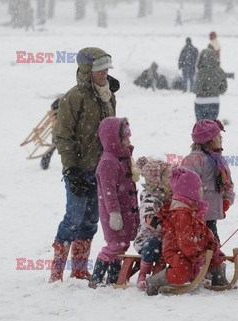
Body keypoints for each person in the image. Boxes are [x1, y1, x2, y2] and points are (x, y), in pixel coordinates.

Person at [49, 47, 119, 283]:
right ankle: (56, 272)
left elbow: (112, 132)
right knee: (74, 218)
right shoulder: (73, 97)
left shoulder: (109, 95)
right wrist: (71, 169)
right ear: (88, 71)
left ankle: (79, 269)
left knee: (91, 221)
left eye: (107, 69)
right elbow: (63, 136)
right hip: (78, 171)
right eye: (100, 69)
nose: (105, 74)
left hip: (101, 171)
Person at [145, 166, 227, 296]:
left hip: (189, 249)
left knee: (216, 256)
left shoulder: (193, 210)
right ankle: (154, 282)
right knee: (183, 270)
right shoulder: (181, 213)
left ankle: (219, 280)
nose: (202, 190)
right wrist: (197, 255)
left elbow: (202, 231)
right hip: (175, 251)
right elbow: (185, 240)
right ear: (189, 192)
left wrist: (211, 244)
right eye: (198, 187)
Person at [88, 117, 140, 288]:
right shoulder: (108, 162)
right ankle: (96, 278)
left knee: (122, 245)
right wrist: (114, 214)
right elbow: (108, 192)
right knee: (115, 245)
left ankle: (113, 278)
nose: (129, 140)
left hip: (125, 211)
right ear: (114, 139)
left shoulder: (122, 158)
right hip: (114, 214)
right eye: (125, 137)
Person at [183, 119, 235, 244]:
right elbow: (186, 187)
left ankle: (213, 260)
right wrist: (193, 207)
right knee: (203, 241)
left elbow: (228, 182)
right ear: (209, 141)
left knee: (211, 238)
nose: (221, 139)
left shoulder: (219, 160)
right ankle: (208, 261)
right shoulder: (193, 161)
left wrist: (227, 199)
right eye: (218, 137)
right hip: (197, 214)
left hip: (211, 212)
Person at [133, 157, 172, 290]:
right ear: (158, 180)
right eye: (168, 176)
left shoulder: (169, 196)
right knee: (153, 245)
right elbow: (148, 219)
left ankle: (159, 273)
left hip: (166, 238)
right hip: (147, 238)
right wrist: (156, 221)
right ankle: (143, 273)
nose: (171, 179)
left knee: (170, 246)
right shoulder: (150, 198)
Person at [192, 49, 227, 121]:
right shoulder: (220, 71)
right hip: (214, 101)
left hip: (200, 102)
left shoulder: (201, 72)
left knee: (200, 127)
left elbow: (196, 89)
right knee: (211, 127)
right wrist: (214, 91)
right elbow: (224, 88)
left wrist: (204, 92)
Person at [40, 98, 60, 170]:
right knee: (53, 147)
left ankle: (44, 162)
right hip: (58, 133)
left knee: (53, 147)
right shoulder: (60, 109)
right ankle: (44, 163)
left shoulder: (58, 107)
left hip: (57, 132)